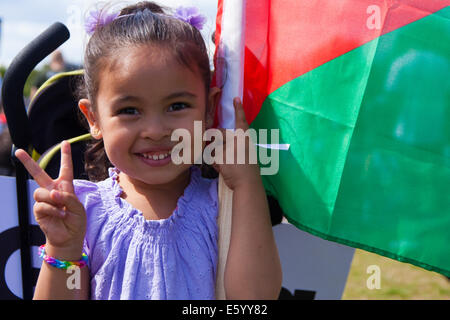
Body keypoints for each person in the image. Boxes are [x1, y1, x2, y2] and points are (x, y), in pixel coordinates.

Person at [15, 1, 282, 300]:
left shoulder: (223, 203)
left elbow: (254, 299)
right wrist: (64, 249)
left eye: (177, 106)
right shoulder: (84, 211)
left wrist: (247, 184)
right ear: (94, 119)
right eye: (130, 110)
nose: (155, 130)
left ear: (208, 110)